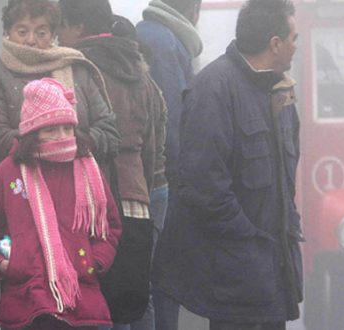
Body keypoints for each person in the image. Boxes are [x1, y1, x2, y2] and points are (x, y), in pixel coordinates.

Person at [153, 1, 303, 329]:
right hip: (235, 278)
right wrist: (251, 243)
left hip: (271, 276)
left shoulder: (279, 92)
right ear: (275, 44)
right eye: (293, 38)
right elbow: (203, 186)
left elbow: (285, 179)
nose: (296, 47)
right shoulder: (214, 88)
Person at [0, 78, 122, 329]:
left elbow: (109, 226)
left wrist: (93, 261)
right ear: (32, 133)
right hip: (26, 299)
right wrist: (3, 263)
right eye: (50, 129)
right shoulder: (7, 173)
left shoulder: (89, 171)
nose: (61, 136)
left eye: (67, 128)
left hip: (83, 300)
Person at [57, 1, 167, 329]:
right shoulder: (139, 69)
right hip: (137, 197)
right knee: (137, 294)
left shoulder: (76, 68)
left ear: (77, 27)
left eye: (61, 26)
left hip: (94, 200)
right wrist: (142, 186)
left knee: (100, 296)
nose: (58, 36)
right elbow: (152, 143)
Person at [0, 0, 120, 182]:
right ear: (6, 32)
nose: (31, 40)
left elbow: (108, 132)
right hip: (18, 187)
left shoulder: (77, 70)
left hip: (80, 186)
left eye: (41, 32)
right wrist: (53, 144)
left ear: (52, 35)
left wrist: (72, 143)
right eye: (22, 31)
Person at [135, 1, 203, 328]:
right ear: (195, 9)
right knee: (163, 286)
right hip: (163, 188)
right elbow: (174, 125)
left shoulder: (153, 35)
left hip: (145, 182)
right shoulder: (165, 43)